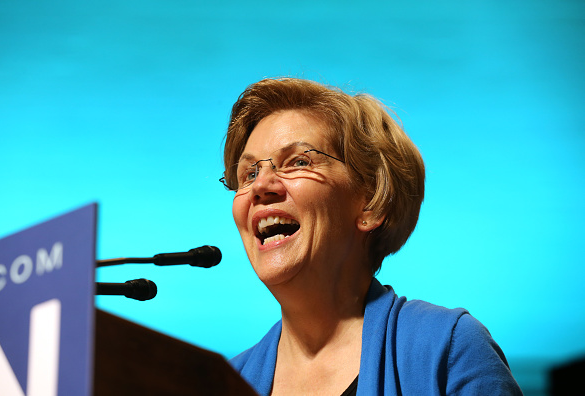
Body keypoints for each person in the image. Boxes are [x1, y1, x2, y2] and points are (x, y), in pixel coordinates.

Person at [220, 77, 522, 395]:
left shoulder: (449, 348)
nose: (260, 187)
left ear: (371, 204)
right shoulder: (223, 383)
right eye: (249, 173)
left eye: (298, 162)